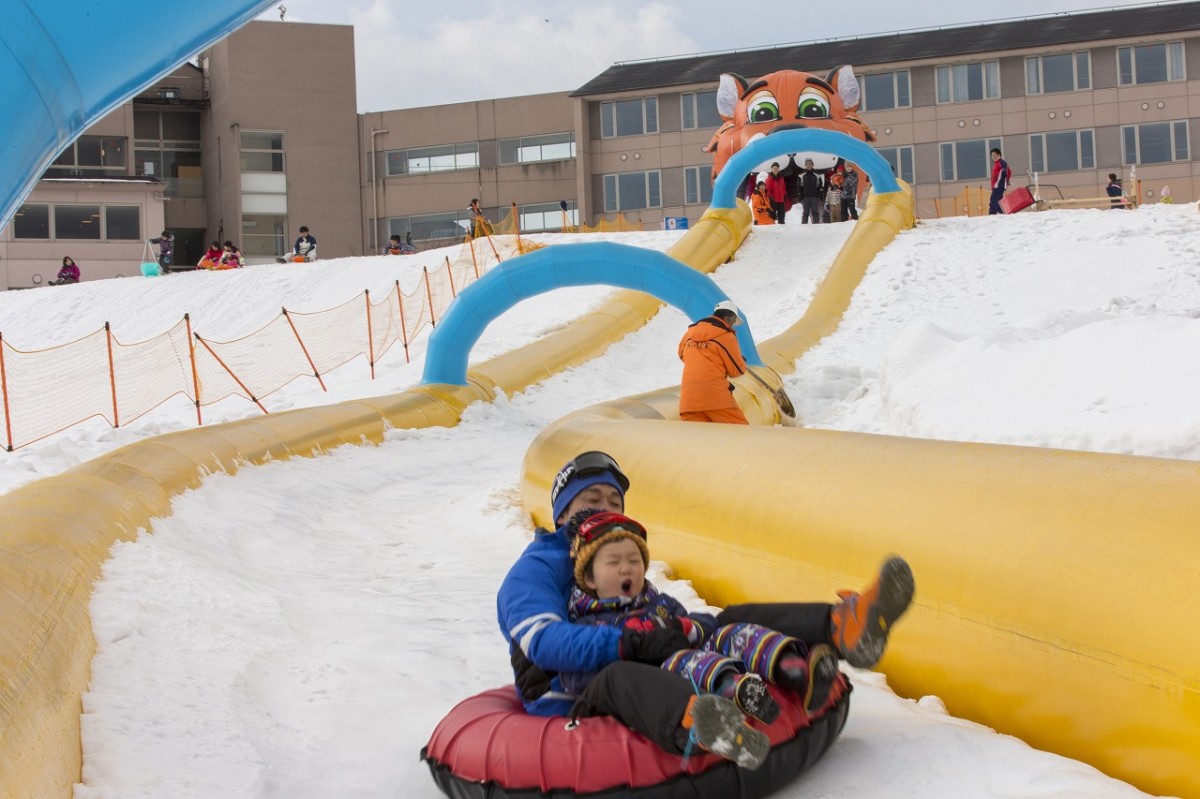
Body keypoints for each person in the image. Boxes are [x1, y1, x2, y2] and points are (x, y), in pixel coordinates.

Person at [497, 452, 915, 765]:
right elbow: (544, 642)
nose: (606, 508)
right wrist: (631, 642)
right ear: (563, 511)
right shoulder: (539, 567)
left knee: (723, 621)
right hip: (572, 695)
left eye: (614, 501)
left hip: (641, 664)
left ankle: (842, 627)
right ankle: (702, 724)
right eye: (592, 499)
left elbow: (658, 612)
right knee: (619, 673)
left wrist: (689, 629)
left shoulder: (615, 556)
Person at [561, 508, 840, 720]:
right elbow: (576, 679)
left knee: (730, 632)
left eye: (634, 561)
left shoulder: (659, 603)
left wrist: (686, 627)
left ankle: (794, 669)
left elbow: (702, 624)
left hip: (697, 652)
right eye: (614, 562)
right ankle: (736, 690)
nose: (627, 569)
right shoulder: (588, 626)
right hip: (662, 679)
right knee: (682, 660)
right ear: (590, 578)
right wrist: (630, 648)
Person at [677, 301, 749, 425]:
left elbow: (682, 355)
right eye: (733, 322)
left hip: (688, 402)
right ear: (727, 318)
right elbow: (737, 371)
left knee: (701, 442)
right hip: (716, 399)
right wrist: (741, 360)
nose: (732, 326)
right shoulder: (726, 336)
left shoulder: (689, 334)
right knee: (741, 436)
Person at [798, 159, 824, 224]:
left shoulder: (817, 174)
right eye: (807, 164)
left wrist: (821, 193)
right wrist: (799, 193)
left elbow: (820, 185)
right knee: (805, 212)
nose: (809, 165)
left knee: (815, 212)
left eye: (810, 164)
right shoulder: (801, 175)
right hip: (805, 196)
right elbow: (799, 186)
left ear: (813, 165)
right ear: (805, 165)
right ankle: (804, 225)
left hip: (814, 196)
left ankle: (816, 225)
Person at [989, 148, 1011, 215]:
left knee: (994, 200)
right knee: (997, 200)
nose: (993, 156)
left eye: (995, 154)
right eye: (992, 155)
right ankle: (1000, 214)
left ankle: (992, 214)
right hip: (996, 185)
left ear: (999, 154)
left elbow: (1007, 172)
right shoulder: (997, 163)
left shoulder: (1002, 162)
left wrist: (1006, 180)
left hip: (999, 185)